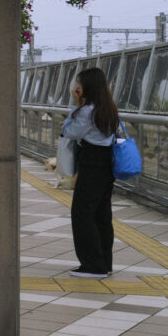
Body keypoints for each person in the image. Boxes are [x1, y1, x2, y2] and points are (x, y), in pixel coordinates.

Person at [62, 66, 118, 278]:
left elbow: (69, 131)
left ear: (89, 87)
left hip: (92, 163)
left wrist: (75, 106)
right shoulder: (109, 108)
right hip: (106, 164)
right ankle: (105, 263)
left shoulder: (87, 111)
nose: (77, 87)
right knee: (102, 214)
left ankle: (93, 266)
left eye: (80, 84)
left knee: (82, 213)